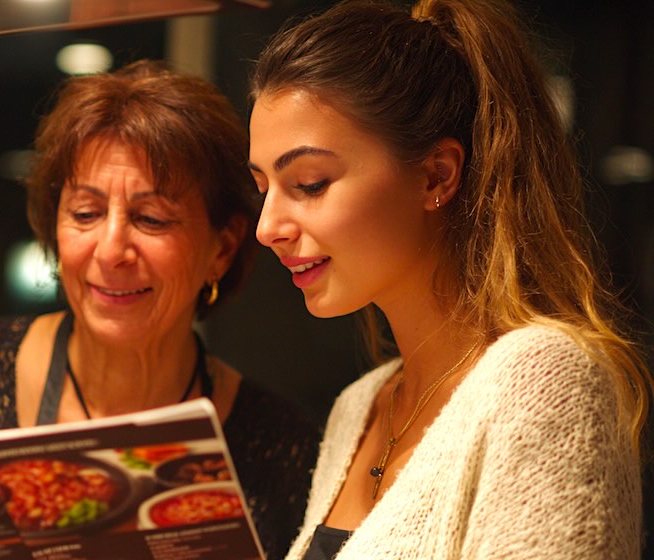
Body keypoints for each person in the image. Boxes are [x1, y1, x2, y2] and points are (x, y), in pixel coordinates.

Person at [247, 0, 652, 558]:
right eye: (263, 187)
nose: (268, 228)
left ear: (436, 174)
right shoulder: (359, 406)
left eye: (310, 183)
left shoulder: (546, 380)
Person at [0, 59, 321, 559]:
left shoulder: (281, 445)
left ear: (222, 246)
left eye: (151, 219)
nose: (110, 250)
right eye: (85, 213)